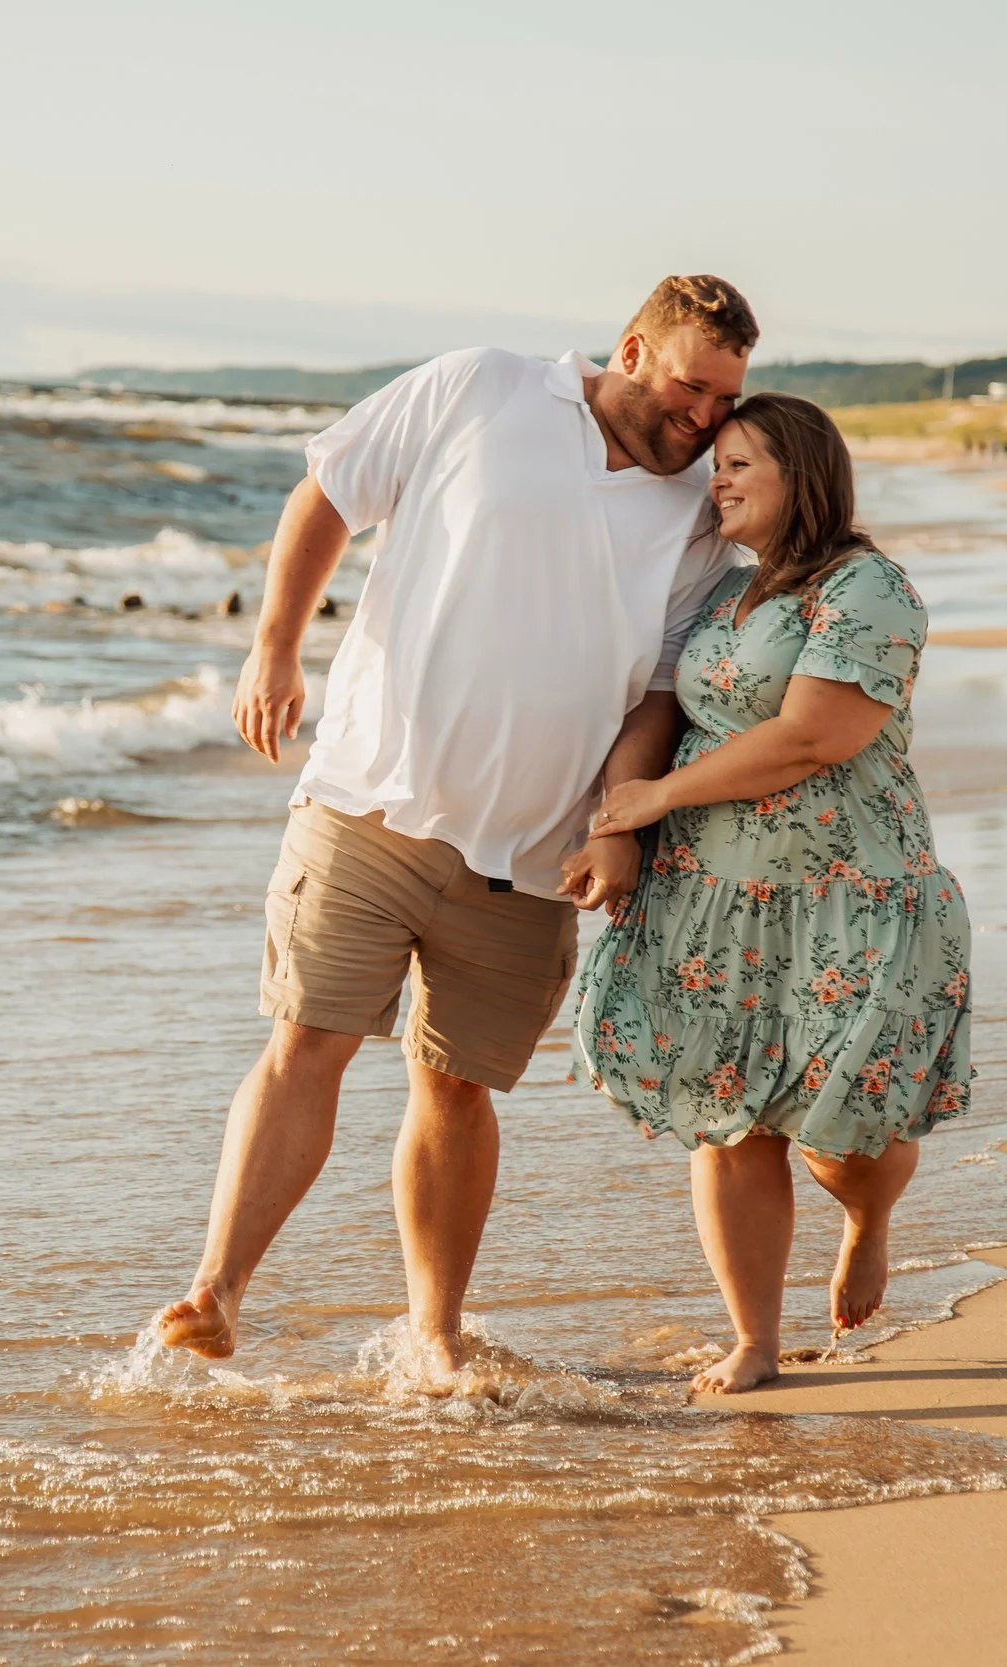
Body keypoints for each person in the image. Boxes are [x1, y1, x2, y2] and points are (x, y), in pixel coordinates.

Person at [155, 276, 758, 1376]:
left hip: (532, 852)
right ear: (632, 349)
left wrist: (618, 820)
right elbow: (329, 491)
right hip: (369, 799)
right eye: (692, 387)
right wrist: (274, 645)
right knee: (307, 1040)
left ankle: (432, 1331)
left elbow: (660, 689)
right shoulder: (482, 386)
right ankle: (215, 1291)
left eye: (726, 401)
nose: (708, 419)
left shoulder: (696, 509)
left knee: (457, 1085)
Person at [569, 392, 973, 1395]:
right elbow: (661, 710)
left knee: (844, 1130)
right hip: (712, 903)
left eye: (742, 462)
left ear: (804, 473)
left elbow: (810, 736)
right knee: (728, 1119)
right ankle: (752, 1337)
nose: (720, 479)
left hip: (855, 902)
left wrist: (655, 794)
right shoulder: (720, 598)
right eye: (717, 464)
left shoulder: (866, 588)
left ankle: (866, 1216)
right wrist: (618, 830)